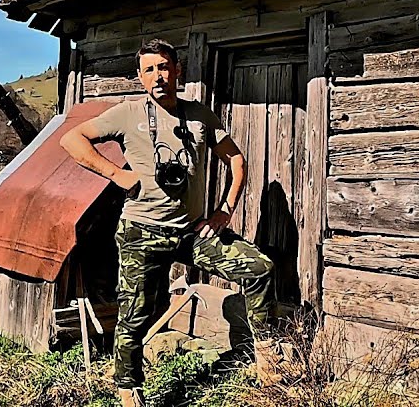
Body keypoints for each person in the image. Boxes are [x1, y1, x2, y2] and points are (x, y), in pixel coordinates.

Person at [60, 38, 275, 407]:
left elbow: (236, 160)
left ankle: (268, 358)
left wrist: (224, 210)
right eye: (149, 70)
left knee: (259, 268)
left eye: (163, 67)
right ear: (140, 77)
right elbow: (71, 138)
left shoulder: (199, 114)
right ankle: (128, 387)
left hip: (192, 233)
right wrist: (115, 173)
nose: (157, 76)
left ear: (177, 70)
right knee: (134, 315)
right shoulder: (127, 113)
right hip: (141, 233)